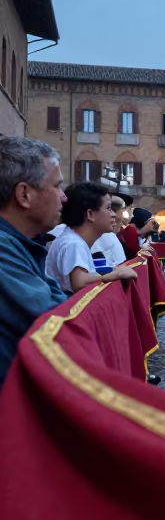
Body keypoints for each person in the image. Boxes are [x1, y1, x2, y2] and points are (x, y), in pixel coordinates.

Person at [0, 138, 71, 385]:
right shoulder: (3, 248)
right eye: (57, 186)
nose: (63, 198)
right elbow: (53, 318)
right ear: (24, 194)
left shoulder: (24, 243)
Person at [45, 182, 139, 296]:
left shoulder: (75, 241)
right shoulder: (73, 243)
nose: (113, 214)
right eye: (108, 208)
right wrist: (115, 275)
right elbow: (80, 282)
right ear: (90, 214)